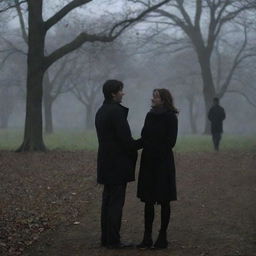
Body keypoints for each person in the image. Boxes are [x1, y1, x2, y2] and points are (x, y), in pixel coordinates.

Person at [95, 79, 139, 249]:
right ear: (113, 93)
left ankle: (106, 238)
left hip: (105, 162)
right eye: (121, 90)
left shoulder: (102, 110)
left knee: (107, 201)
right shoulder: (115, 112)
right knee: (115, 203)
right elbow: (126, 141)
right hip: (117, 164)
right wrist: (144, 141)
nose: (123, 93)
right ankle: (113, 241)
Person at [136, 88, 178, 249]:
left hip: (163, 163)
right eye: (153, 96)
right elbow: (144, 136)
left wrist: (151, 146)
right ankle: (147, 237)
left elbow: (171, 141)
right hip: (148, 162)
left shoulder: (171, 117)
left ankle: (162, 236)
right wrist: (129, 145)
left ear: (163, 100)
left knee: (164, 200)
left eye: (156, 97)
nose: (153, 99)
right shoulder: (149, 115)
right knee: (148, 200)